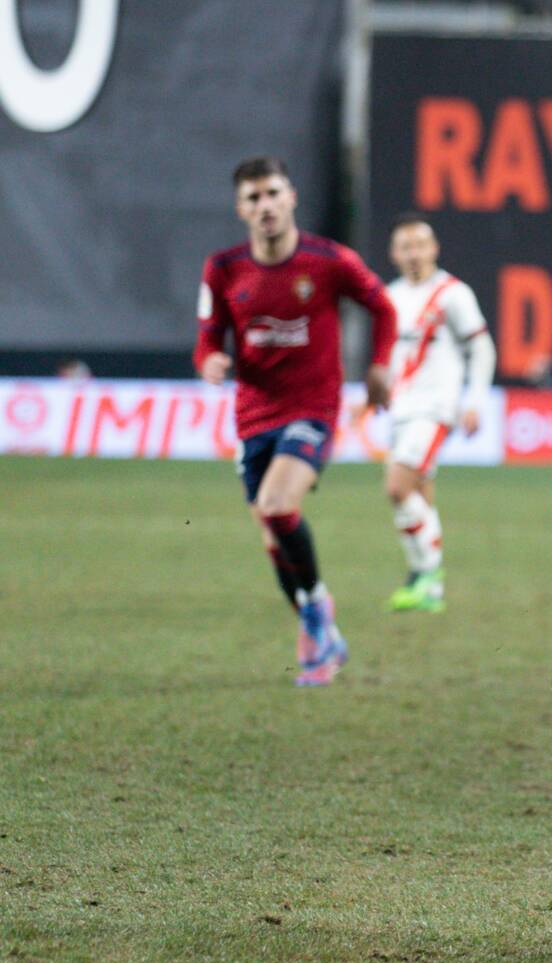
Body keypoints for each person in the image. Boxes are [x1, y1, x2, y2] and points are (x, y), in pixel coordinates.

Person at [195, 156, 397, 686]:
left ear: (292, 197)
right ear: (241, 208)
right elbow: (208, 339)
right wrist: (209, 362)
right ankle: (318, 614)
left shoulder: (328, 261)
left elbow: (384, 307)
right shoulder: (223, 269)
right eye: (254, 198)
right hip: (253, 415)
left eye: (273, 193)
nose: (265, 205)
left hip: (313, 409)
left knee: (276, 504)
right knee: (272, 533)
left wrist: (379, 365)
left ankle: (315, 620)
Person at [381, 214, 496, 612]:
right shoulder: (391, 296)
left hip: (435, 407)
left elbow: (481, 347)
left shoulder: (451, 294)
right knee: (419, 495)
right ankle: (429, 590)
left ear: (434, 249)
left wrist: (475, 399)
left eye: (420, 245)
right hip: (402, 408)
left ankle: (426, 571)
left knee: (397, 486)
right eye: (405, 246)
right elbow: (392, 356)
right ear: (394, 253)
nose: (414, 253)